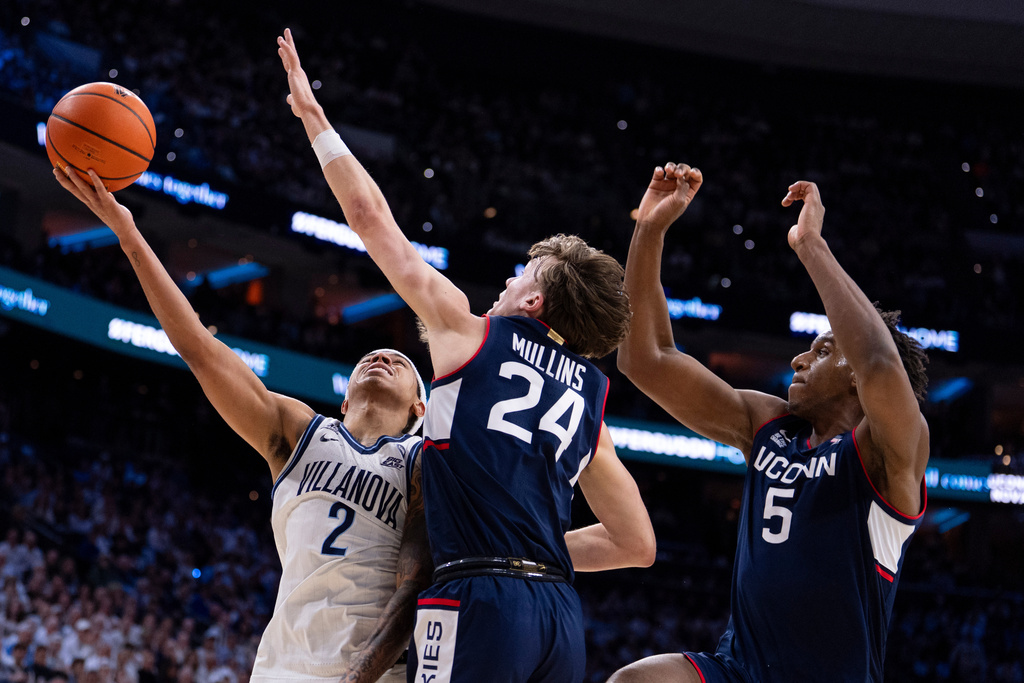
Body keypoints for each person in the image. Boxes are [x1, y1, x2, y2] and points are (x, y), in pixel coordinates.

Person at [277, 28, 657, 683]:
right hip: (558, 618)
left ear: (535, 301)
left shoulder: (472, 334)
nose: (505, 282)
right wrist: (531, 546)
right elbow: (636, 543)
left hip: (480, 598)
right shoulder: (587, 394)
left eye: (518, 273)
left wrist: (316, 120)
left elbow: (372, 222)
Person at [53, 168, 434, 683]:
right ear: (342, 402)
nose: (383, 358)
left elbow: (416, 587)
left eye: (400, 361)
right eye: (371, 355)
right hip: (281, 668)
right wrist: (129, 234)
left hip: (372, 673)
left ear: (420, 410)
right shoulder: (300, 432)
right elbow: (200, 351)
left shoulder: (423, 462)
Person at [610, 164, 930, 682]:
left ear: (854, 379)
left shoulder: (887, 453)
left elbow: (878, 361)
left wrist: (810, 246)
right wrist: (649, 232)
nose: (800, 360)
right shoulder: (768, 425)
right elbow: (645, 359)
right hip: (740, 668)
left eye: (823, 350)